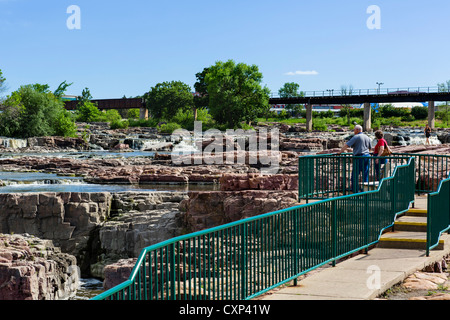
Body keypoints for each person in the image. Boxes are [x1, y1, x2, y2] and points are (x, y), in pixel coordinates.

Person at [338, 125, 372, 192]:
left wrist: (340, 152)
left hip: (358, 157)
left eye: (354, 130)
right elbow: (370, 148)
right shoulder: (367, 137)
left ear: (357, 130)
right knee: (365, 174)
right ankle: (365, 190)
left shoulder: (356, 137)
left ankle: (355, 190)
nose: (353, 131)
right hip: (367, 156)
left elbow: (346, 145)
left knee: (355, 175)